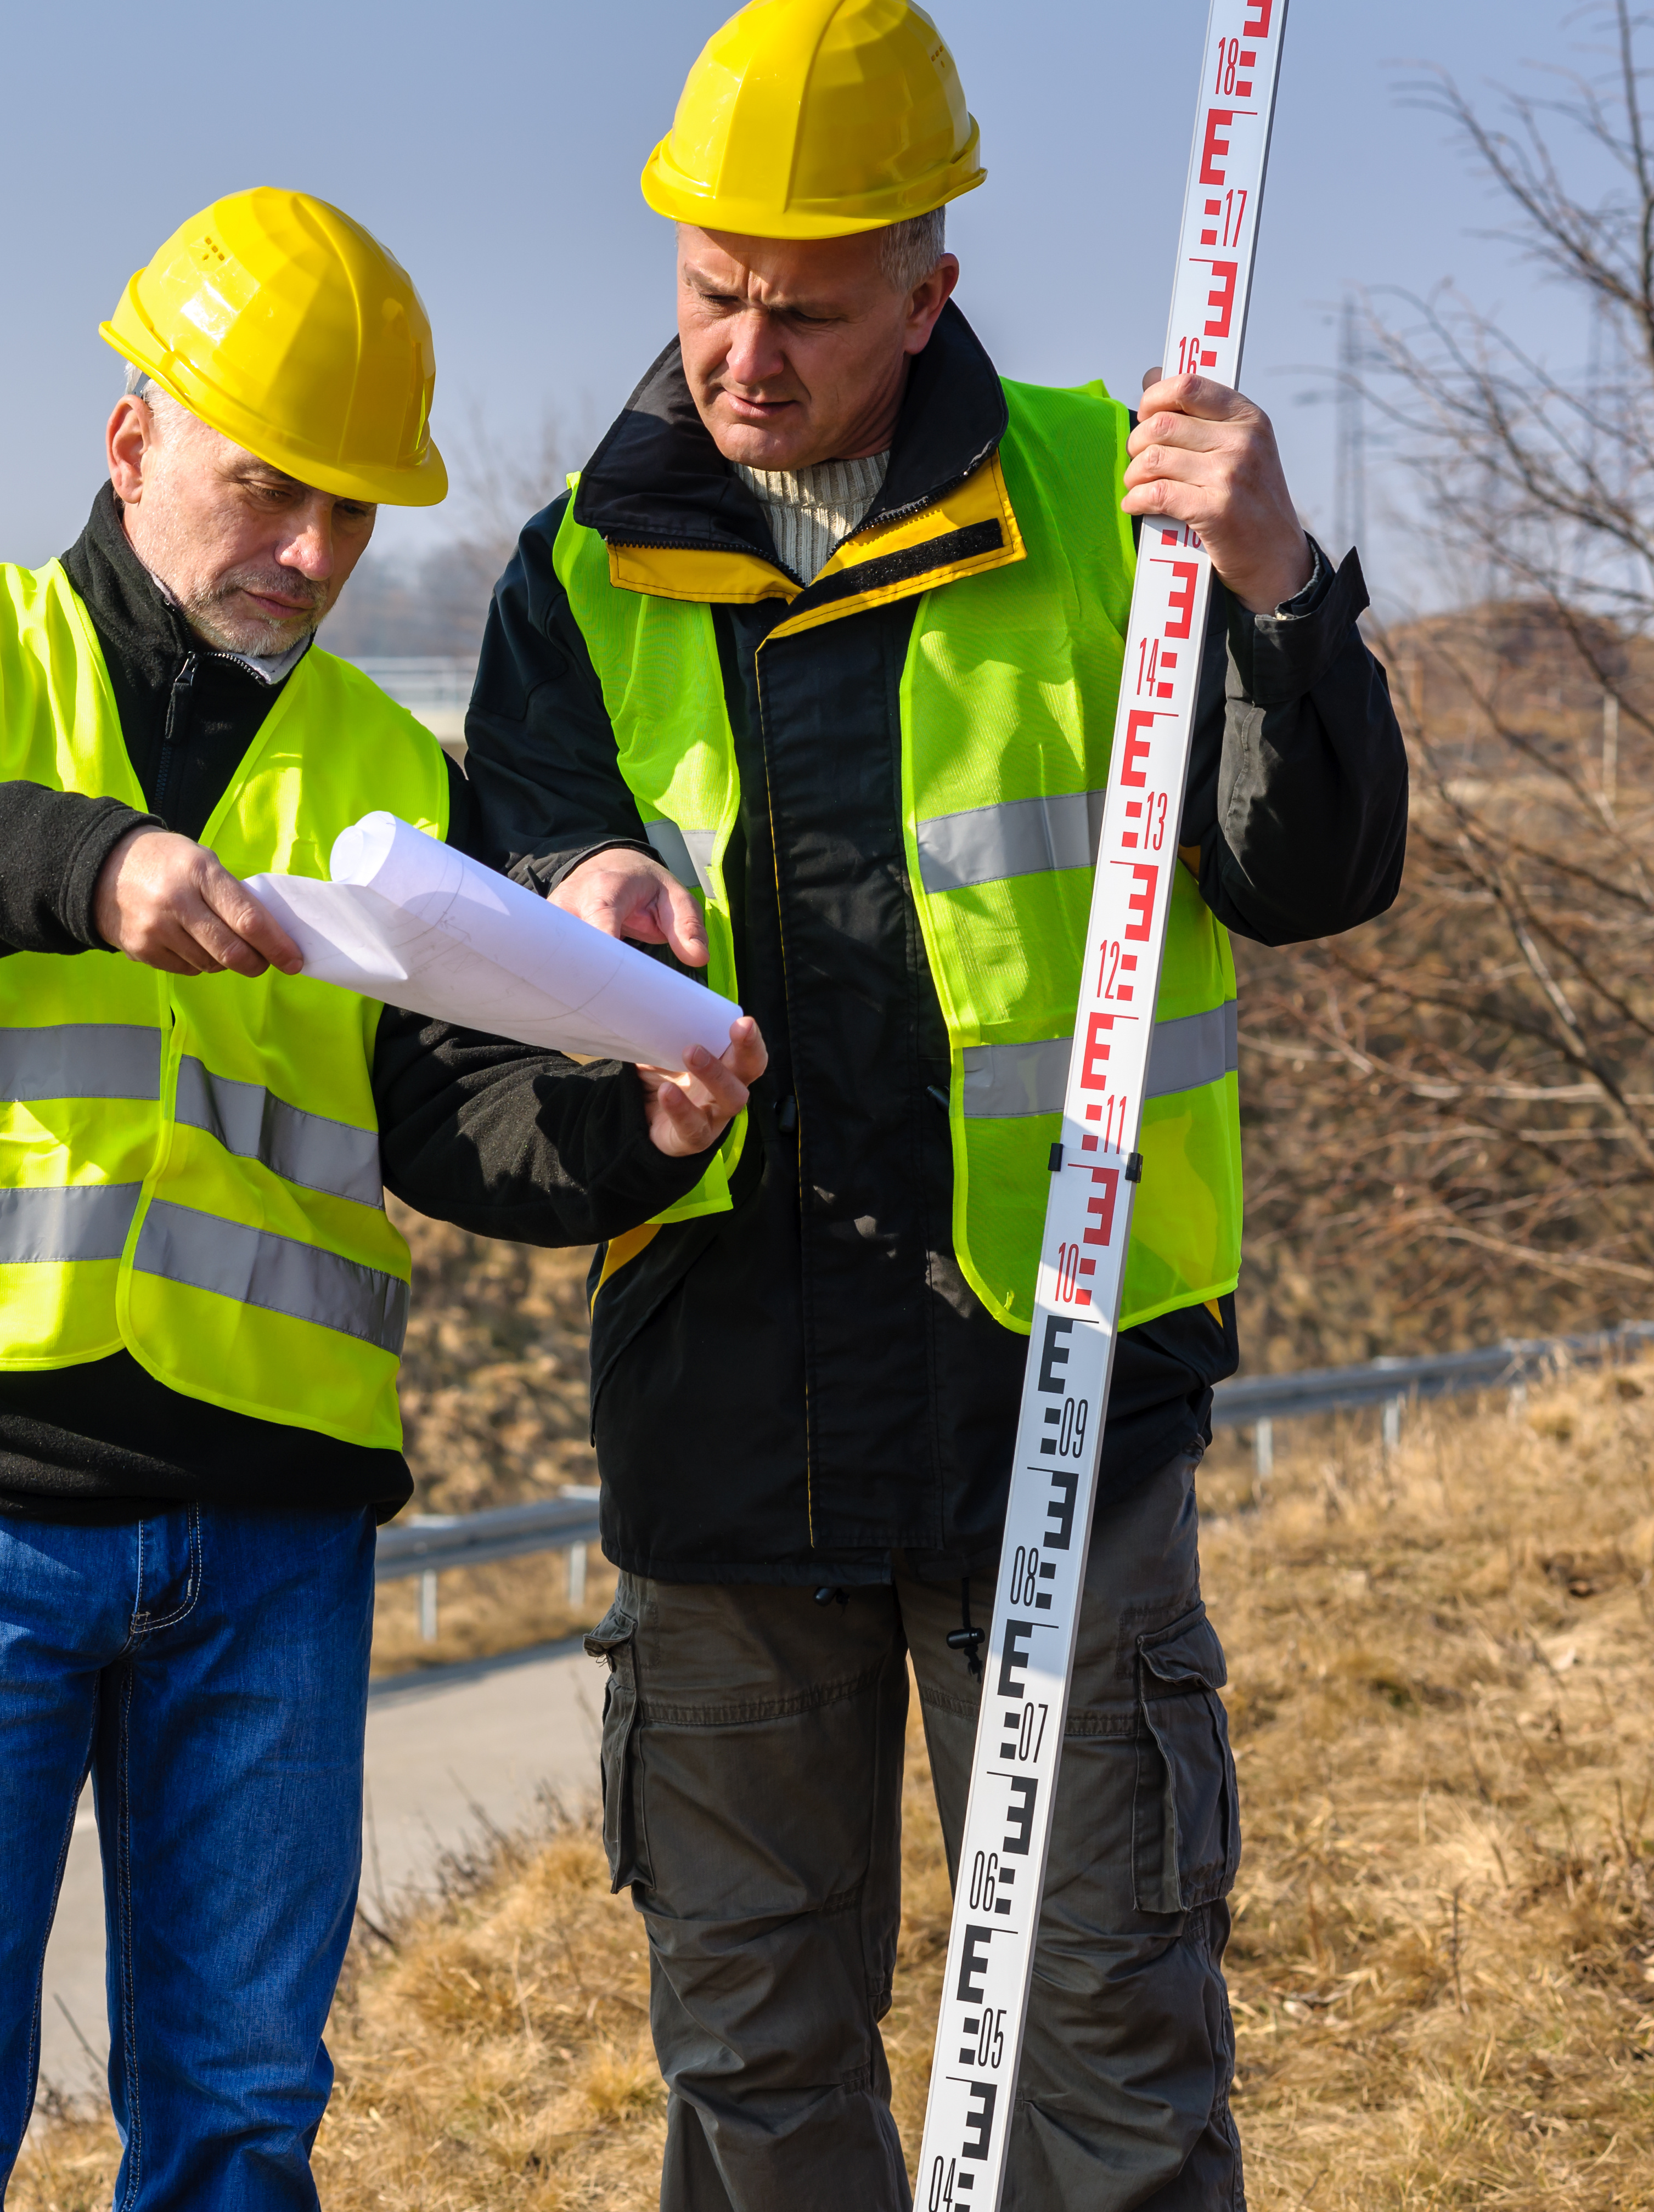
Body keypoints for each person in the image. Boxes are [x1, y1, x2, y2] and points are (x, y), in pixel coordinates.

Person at [0, 188, 767, 2207]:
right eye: (269, 493)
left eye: (351, 520)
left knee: (235, 2137)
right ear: (133, 444)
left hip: (271, 1535)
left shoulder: (384, 762)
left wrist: (631, 1135)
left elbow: (452, 1115)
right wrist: (95, 866)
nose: (310, 557)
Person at [464, 4, 1407, 2207]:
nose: (748, 355)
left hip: (1054, 1407)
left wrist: (1280, 586)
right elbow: (505, 974)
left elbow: (1311, 875)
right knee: (758, 2070)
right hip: (722, 1438)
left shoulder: (1118, 499)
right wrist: (568, 903)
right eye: (711, 294)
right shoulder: (571, 579)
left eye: (805, 310)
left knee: (1109, 2051)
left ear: (930, 293)